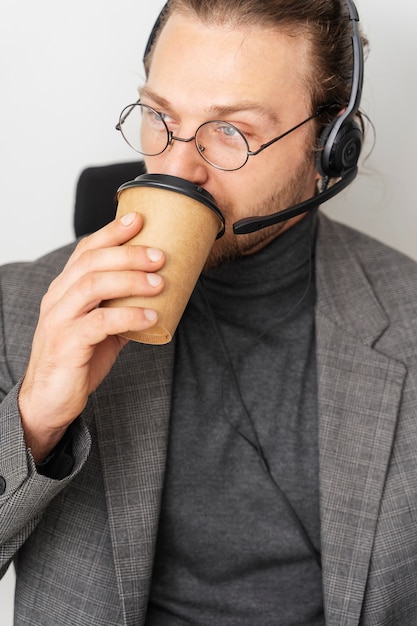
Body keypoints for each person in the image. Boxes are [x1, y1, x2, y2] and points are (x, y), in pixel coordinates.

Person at [1, 0, 416, 624]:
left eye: (232, 131)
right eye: (159, 116)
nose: (176, 167)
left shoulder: (408, 319)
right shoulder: (24, 306)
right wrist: (34, 419)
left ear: (330, 146)